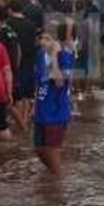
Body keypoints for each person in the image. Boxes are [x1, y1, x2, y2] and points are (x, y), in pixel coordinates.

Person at [33, 31, 74, 174]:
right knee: (38, 148)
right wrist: (36, 104)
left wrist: (55, 56)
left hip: (56, 113)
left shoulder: (65, 56)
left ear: (56, 42)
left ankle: (57, 181)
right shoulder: (40, 55)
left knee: (52, 149)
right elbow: (40, 82)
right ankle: (54, 175)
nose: (43, 41)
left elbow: (59, 82)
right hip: (42, 111)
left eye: (48, 38)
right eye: (41, 38)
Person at [6, 2, 40, 129]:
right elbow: (35, 42)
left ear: (10, 9)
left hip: (14, 63)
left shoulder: (8, 24)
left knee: (16, 94)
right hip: (30, 61)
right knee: (27, 93)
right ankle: (25, 118)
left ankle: (19, 122)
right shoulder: (31, 24)